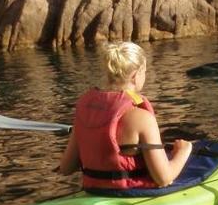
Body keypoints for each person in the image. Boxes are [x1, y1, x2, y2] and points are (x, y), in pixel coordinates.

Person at [58, 42, 193, 193]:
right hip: (131, 195)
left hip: (93, 190)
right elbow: (164, 178)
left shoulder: (85, 109)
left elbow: (66, 168)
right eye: (145, 72)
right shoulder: (142, 118)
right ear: (136, 75)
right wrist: (184, 151)